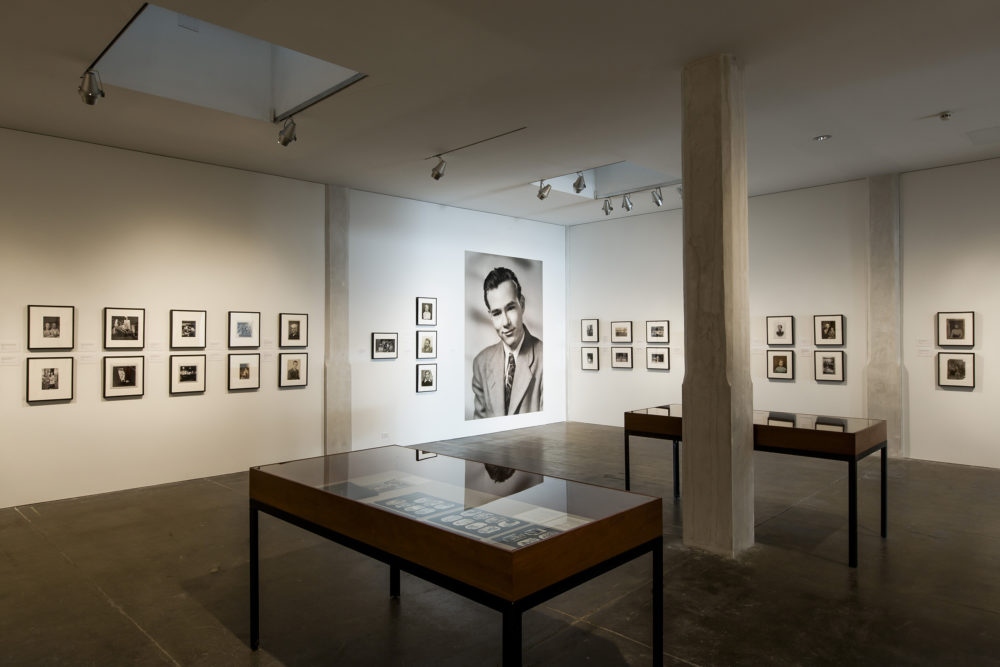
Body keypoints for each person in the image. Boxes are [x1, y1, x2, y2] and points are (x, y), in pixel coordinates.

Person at [472, 266, 542, 418]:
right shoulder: (480, 363)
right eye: (497, 313)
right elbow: (480, 431)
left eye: (510, 308)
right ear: (490, 316)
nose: (505, 322)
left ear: (522, 304)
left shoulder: (546, 359)